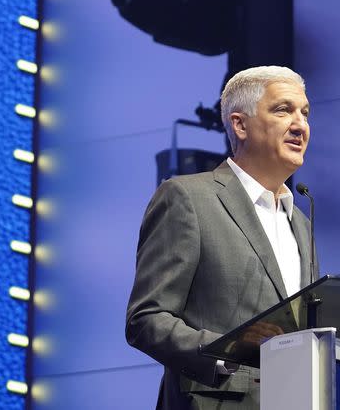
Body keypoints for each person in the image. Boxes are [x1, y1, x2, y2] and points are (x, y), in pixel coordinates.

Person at [126, 66, 316, 410]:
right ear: (240, 125)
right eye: (283, 109)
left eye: (304, 112)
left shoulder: (302, 222)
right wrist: (231, 349)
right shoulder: (188, 198)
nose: (300, 124)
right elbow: (146, 320)